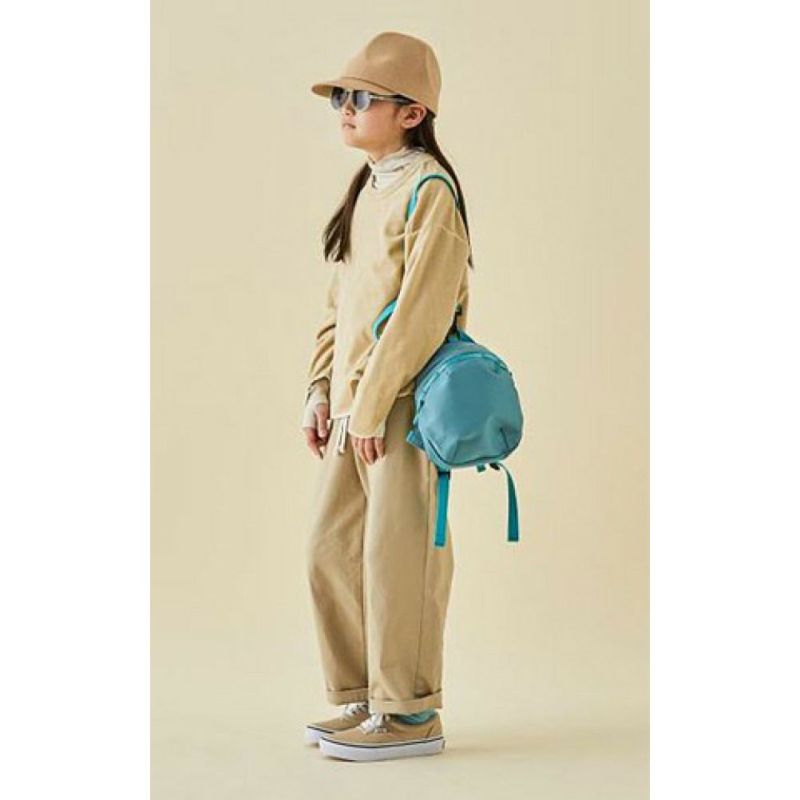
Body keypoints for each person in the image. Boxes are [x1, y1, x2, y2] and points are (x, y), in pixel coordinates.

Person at [300, 31, 474, 762]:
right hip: (353, 409)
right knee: (332, 550)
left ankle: (410, 712)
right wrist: (319, 389)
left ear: (411, 113)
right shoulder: (368, 188)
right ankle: (364, 696)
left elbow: (422, 315)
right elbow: (340, 304)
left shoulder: (430, 192)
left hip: (398, 410)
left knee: (398, 559)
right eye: (342, 96)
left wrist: (372, 404)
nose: (346, 108)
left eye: (362, 98)